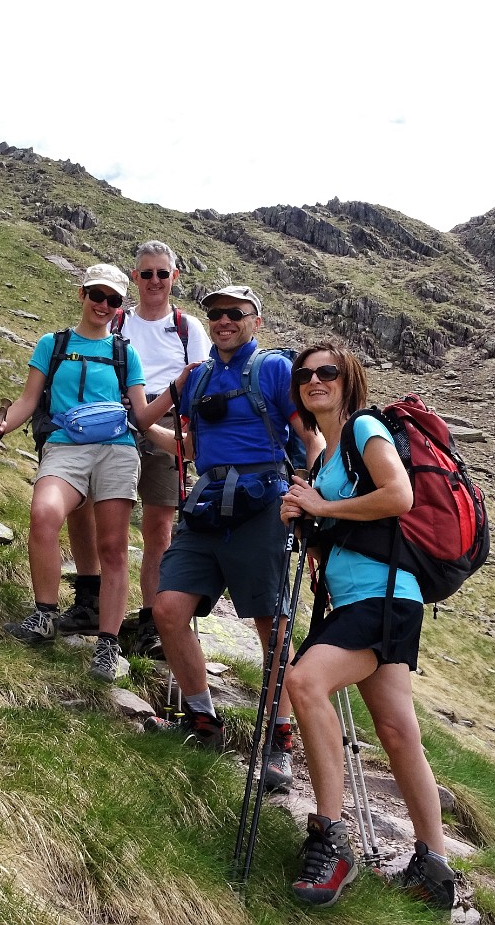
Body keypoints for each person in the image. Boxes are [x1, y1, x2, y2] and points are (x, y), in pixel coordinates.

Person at [279, 341, 457, 909]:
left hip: (380, 600)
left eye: (326, 371)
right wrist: (303, 517)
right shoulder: (324, 458)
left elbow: (399, 495)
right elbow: (340, 528)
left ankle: (332, 840)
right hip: (369, 601)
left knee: (304, 682)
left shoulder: (364, 429)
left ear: (347, 378)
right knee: (399, 732)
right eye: (305, 375)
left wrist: (321, 510)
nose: (314, 380)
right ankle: (434, 865)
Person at [142, 285, 322, 797]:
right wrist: (133, 422)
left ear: (255, 321)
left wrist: (310, 490)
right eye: (215, 314)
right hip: (207, 505)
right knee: (168, 608)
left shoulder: (273, 370)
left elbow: (310, 437)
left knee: (273, 621)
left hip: (263, 506)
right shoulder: (198, 377)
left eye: (234, 314)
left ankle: (279, 739)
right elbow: (190, 444)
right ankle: (203, 720)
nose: (222, 321)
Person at [0, 264, 178, 682]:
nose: (103, 305)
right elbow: (28, 400)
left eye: (112, 300)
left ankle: (107, 645)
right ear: (81, 294)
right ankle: (45, 616)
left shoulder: (126, 354)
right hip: (64, 448)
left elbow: (141, 415)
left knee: (113, 547)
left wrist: (179, 389)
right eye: (96, 296)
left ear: (119, 305)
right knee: (44, 514)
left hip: (117, 450)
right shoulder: (51, 345)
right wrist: (1, 426)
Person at [56, 241, 211, 659]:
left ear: (175, 277)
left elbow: (199, 381)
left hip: (166, 422)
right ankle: (90, 598)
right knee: (83, 506)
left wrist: (185, 432)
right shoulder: (118, 319)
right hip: (112, 420)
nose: (155, 281)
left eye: (162, 273)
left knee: (158, 527)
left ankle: (149, 621)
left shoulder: (188, 327)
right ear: (135, 277)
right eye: (146, 274)